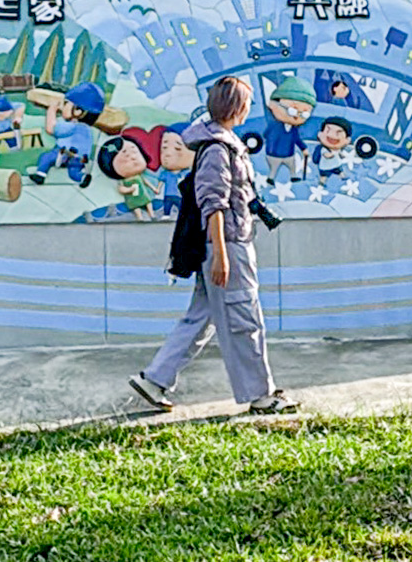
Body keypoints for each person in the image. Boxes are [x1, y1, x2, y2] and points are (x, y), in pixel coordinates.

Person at [129, 76, 299, 415]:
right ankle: (262, 396)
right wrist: (221, 255)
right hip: (228, 245)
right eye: (247, 103)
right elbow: (214, 205)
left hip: (225, 243)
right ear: (236, 108)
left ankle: (155, 379)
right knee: (244, 319)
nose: (250, 109)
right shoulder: (217, 150)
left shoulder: (219, 143)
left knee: (200, 318)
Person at [29, 82, 104, 188]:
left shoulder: (72, 127)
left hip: (65, 154)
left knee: (46, 158)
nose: (63, 107)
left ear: (78, 111)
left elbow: (50, 129)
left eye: (66, 104)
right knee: (73, 172)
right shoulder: (87, 130)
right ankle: (82, 177)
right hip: (80, 157)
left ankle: (40, 175)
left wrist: (51, 110)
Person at [97, 133, 162, 221]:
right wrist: (129, 190)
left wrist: (154, 189)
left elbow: (146, 182)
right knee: (136, 206)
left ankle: (152, 215)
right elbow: (121, 189)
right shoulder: (124, 181)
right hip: (132, 198)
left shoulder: (142, 176)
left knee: (148, 202)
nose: (133, 157)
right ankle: (140, 218)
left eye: (135, 152)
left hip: (143, 194)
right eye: (126, 157)